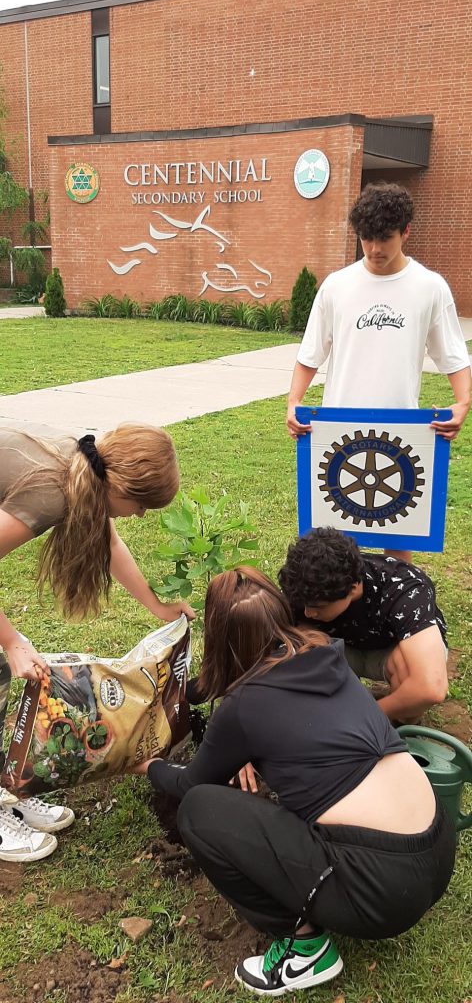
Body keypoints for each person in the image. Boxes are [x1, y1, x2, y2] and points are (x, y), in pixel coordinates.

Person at [135, 568, 455, 997]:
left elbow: (192, 782)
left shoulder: (245, 706)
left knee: (200, 810)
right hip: (435, 849)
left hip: (381, 891)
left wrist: (151, 767)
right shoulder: (328, 655)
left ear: (220, 633)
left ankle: (304, 949)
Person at [0, 423, 194, 863]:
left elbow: (109, 542)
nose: (140, 515)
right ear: (120, 486)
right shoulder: (53, 492)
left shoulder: (85, 463)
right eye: (142, 505)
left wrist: (158, 606)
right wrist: (11, 641)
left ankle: (9, 789)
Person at [286, 182, 471, 562]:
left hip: (402, 430)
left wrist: (463, 402)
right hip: (338, 427)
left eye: (384, 238)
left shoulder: (430, 288)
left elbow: (454, 356)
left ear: (405, 231)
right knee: (336, 537)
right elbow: (310, 354)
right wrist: (294, 402)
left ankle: (398, 610)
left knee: (398, 529)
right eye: (366, 238)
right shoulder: (337, 287)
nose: (374, 249)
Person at [279, 527, 448, 725]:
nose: (308, 612)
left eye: (318, 607)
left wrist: (365, 717)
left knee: (410, 672)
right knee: (294, 644)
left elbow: (431, 688)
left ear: (353, 587)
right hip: (341, 646)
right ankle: (332, 703)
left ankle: (400, 726)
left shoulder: (404, 588)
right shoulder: (307, 583)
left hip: (389, 650)